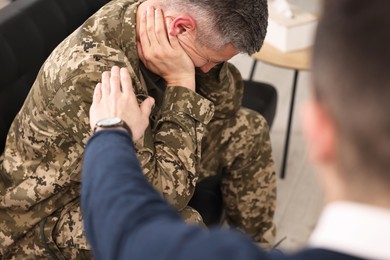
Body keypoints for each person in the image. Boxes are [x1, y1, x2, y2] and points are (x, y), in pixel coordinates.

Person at [81, 0, 390, 259]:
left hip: (138, 160)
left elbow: (137, 226)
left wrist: (111, 130)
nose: (207, 68)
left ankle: (258, 241)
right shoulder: (94, 66)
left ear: (317, 129)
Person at [0, 0, 276, 258]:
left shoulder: (161, 24)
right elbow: (165, 197)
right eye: (209, 61)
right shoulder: (91, 74)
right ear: (180, 27)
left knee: (247, 129)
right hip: (50, 214)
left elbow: (227, 106)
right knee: (181, 227)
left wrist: (201, 67)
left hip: (136, 151)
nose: (205, 69)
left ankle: (258, 249)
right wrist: (181, 80)